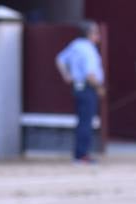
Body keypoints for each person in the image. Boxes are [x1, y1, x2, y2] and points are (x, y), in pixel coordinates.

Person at [56, 20, 105, 163]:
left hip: (78, 87)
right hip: (88, 88)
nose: (98, 36)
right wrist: (99, 88)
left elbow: (59, 59)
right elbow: (90, 74)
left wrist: (67, 75)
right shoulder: (88, 49)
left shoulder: (75, 45)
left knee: (82, 121)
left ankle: (79, 154)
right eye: (96, 32)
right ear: (89, 34)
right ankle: (82, 155)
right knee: (86, 122)